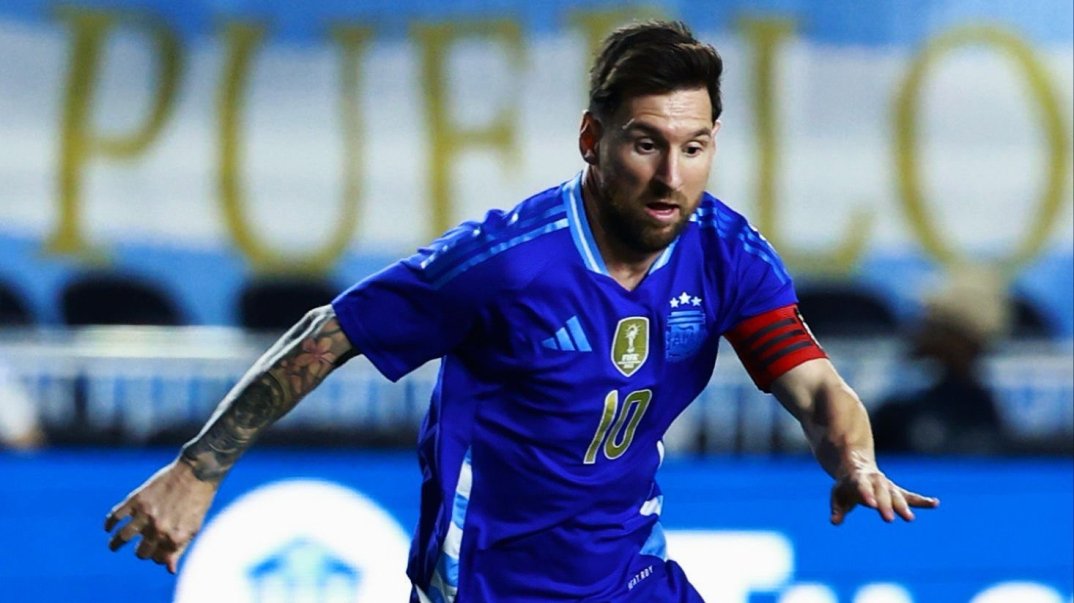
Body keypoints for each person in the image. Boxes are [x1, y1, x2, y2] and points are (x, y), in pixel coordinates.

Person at [105, 20, 938, 602]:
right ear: (591, 140)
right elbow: (328, 334)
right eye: (645, 143)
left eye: (694, 148)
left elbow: (815, 386)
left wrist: (853, 457)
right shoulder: (503, 263)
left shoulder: (726, 253)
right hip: (490, 584)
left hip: (628, 577)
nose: (671, 177)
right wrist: (198, 468)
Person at [873, 266, 1009, 455]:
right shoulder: (900, 410)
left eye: (932, 321)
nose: (917, 329)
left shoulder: (972, 412)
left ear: (959, 340)